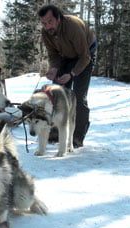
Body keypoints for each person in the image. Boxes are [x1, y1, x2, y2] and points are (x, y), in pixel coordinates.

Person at [38, 4, 96, 148]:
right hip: (66, 56)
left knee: (77, 96)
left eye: (50, 21)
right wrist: (54, 68)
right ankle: (56, 131)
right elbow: (53, 55)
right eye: (44, 23)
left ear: (59, 19)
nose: (47, 26)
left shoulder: (73, 27)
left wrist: (71, 74)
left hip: (85, 55)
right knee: (57, 94)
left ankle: (77, 136)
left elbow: (85, 57)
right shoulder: (46, 33)